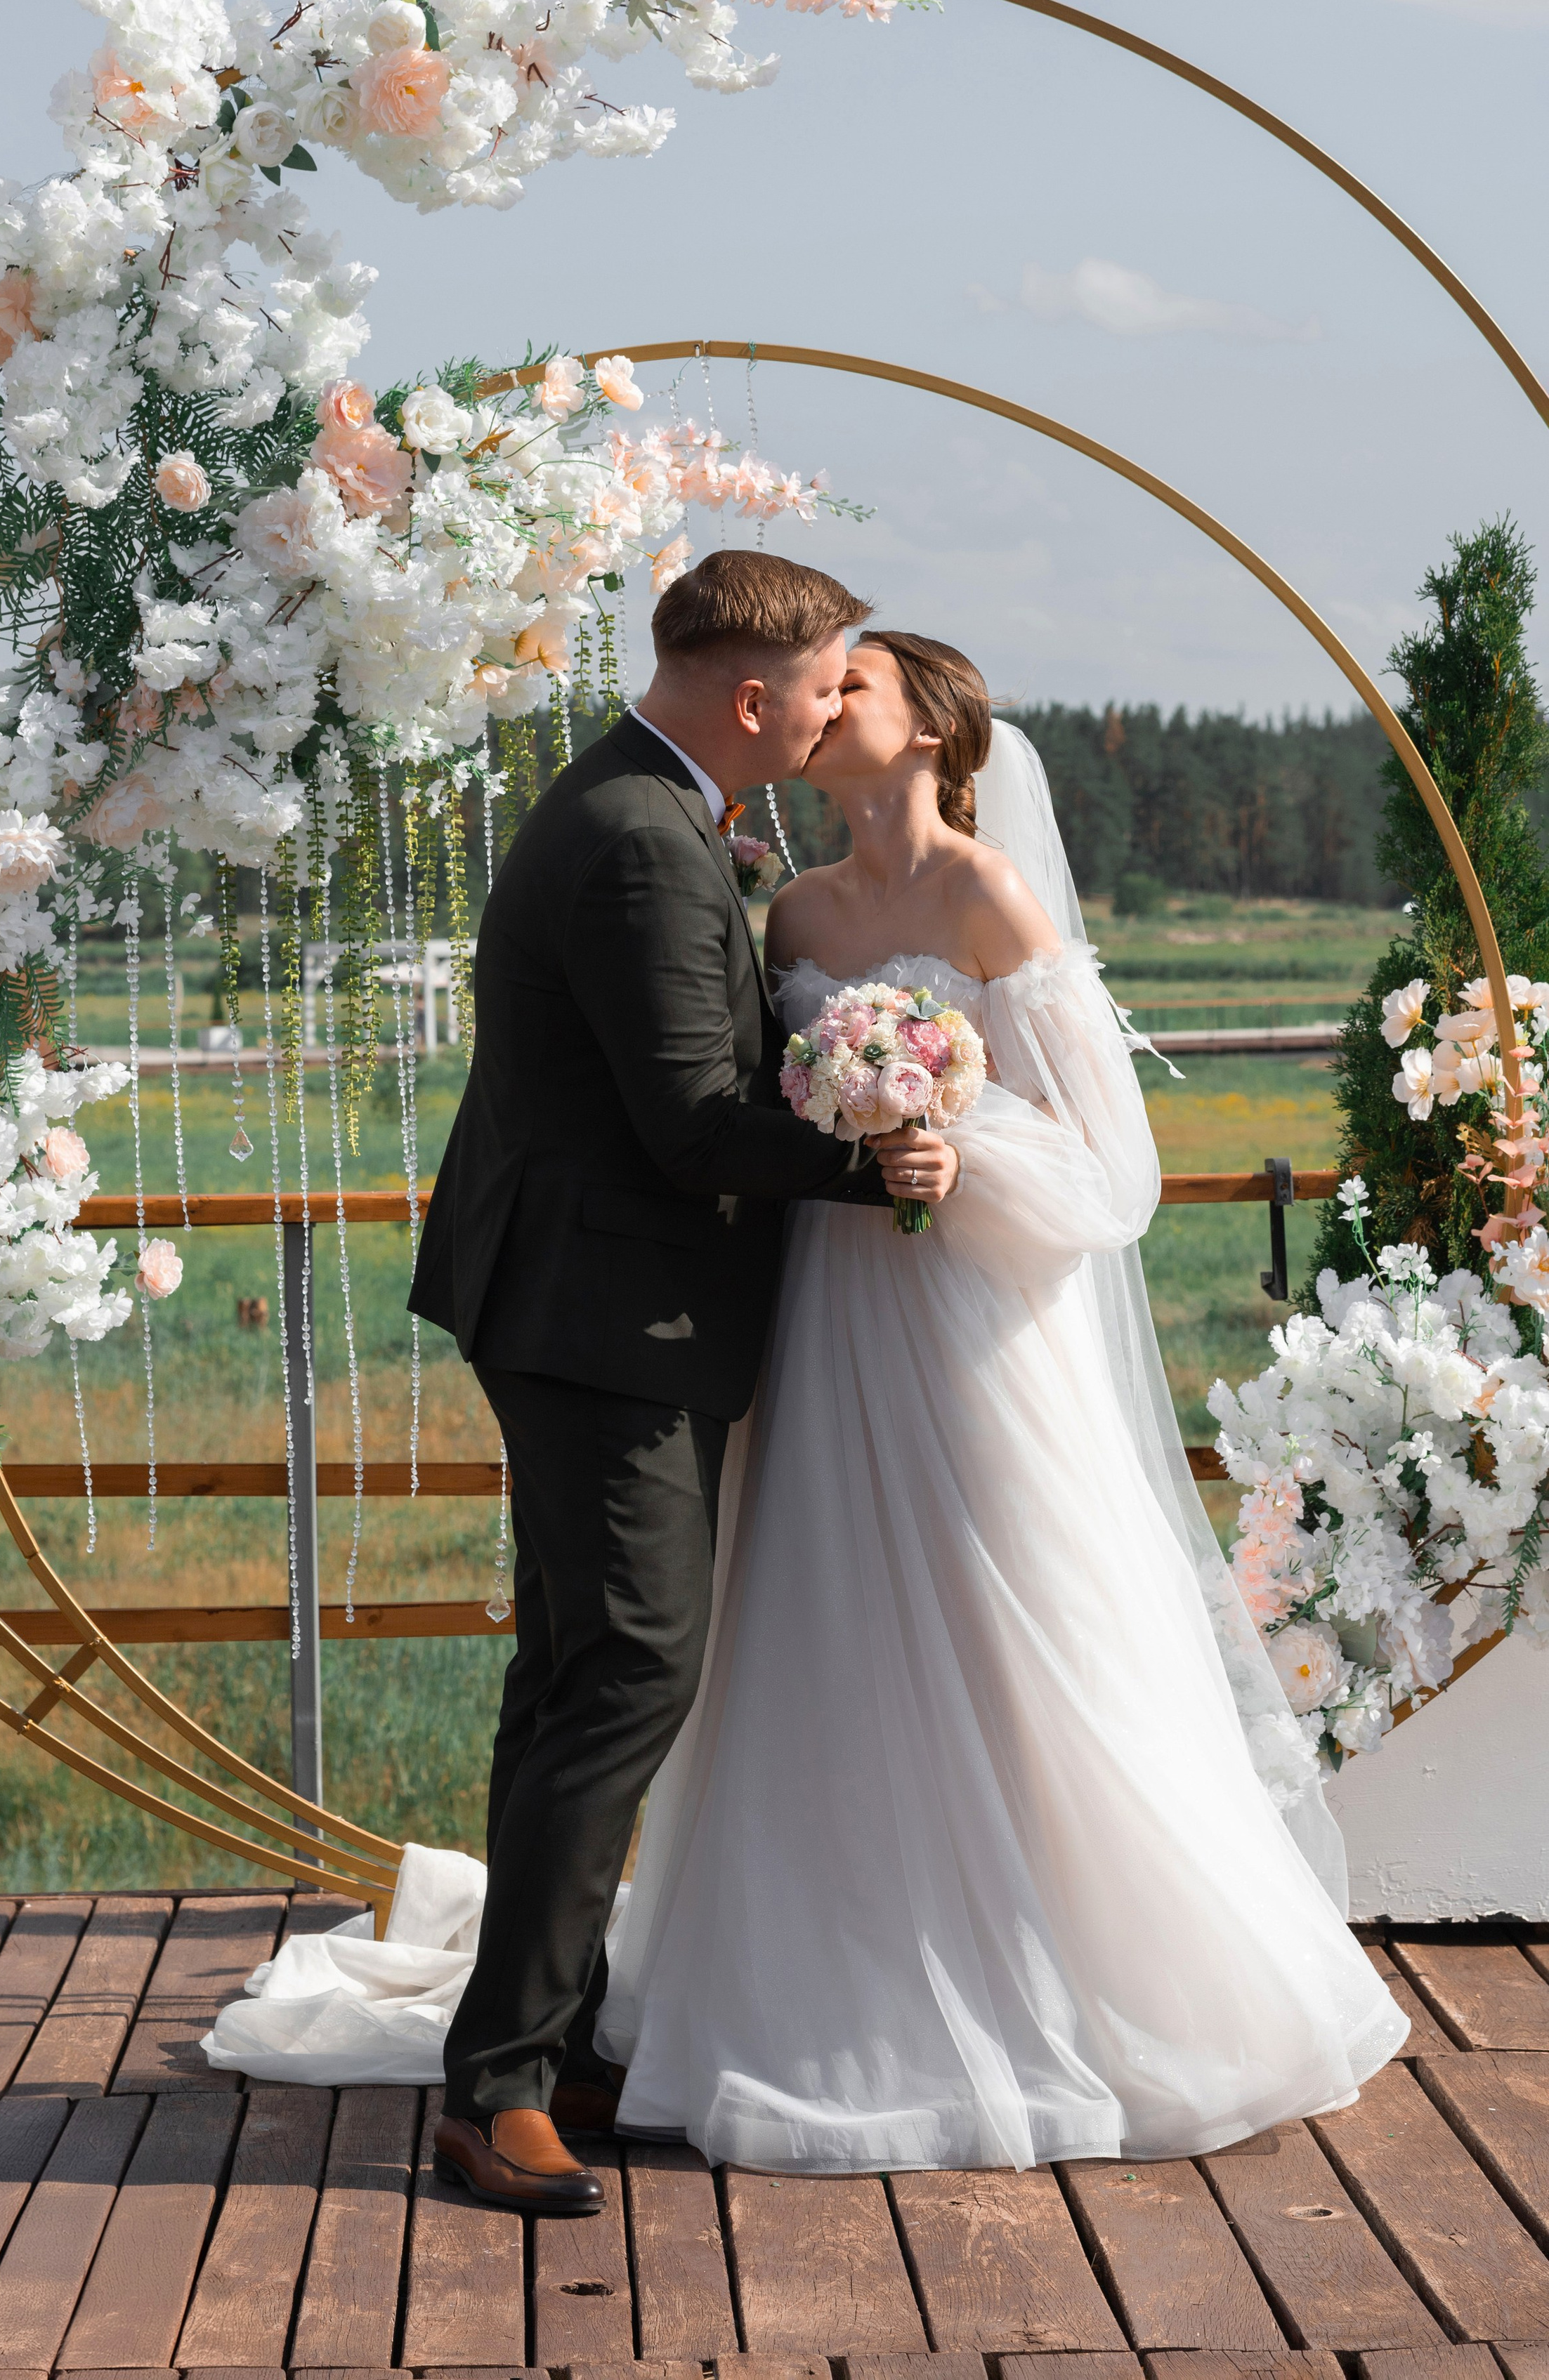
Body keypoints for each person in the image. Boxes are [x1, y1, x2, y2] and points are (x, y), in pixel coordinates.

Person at [593, 630, 1408, 2170]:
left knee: (1009, 1610)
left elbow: (1109, 1162)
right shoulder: (796, 913)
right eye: (822, 691)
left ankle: (1081, 1971)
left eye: (856, 693)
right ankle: (829, 1981)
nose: (825, 711)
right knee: (820, 1616)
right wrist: (851, 1140)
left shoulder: (987, 896)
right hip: (832, 1309)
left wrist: (953, 1149)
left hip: (969, 1316)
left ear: (928, 735)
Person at [403, 555, 956, 2214]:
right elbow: (692, 1125)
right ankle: (495, 2088)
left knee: (575, 1669)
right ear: (747, 697)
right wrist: (892, 1169)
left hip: (578, 1305)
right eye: (817, 685)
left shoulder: (645, 800)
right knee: (634, 1665)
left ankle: (536, 2043)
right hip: (598, 1320)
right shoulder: (645, 840)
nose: (823, 710)